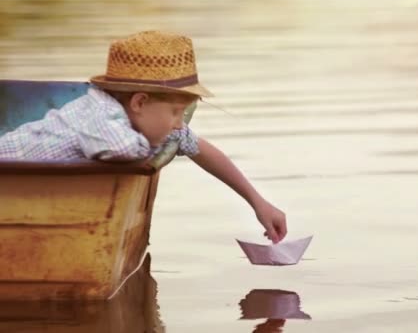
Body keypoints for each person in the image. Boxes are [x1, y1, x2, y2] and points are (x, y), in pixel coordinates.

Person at [0, 30, 287, 243]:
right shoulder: (100, 116)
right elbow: (126, 150)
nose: (179, 123)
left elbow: (199, 147)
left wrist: (258, 202)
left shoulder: (131, 114)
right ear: (139, 103)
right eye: (175, 112)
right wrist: (162, 144)